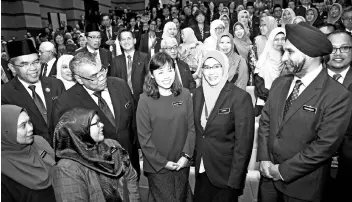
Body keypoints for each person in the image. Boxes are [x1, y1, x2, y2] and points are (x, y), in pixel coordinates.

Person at [257, 22, 352, 202]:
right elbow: (265, 123)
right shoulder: (280, 83)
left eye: (290, 52)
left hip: (302, 187)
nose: (284, 58)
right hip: (268, 180)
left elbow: (325, 146)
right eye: (283, 51)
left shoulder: (337, 95)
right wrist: (263, 159)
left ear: (311, 53)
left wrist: (282, 171)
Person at [51, 51, 141, 179]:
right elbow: (66, 147)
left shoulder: (120, 85)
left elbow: (133, 123)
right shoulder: (66, 103)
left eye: (102, 70)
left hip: (130, 162)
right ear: (79, 79)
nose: (102, 77)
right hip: (99, 171)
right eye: (94, 76)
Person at [192, 50, 254, 202]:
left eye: (216, 66)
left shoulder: (240, 97)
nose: (211, 72)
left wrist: (235, 181)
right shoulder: (197, 94)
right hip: (202, 171)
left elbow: (244, 144)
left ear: (224, 68)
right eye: (207, 67)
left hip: (226, 176)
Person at [136, 52, 195, 202]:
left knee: (182, 197)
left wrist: (186, 156)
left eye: (170, 70)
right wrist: (163, 163)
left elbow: (191, 129)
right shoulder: (144, 100)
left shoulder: (185, 95)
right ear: (152, 74)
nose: (166, 76)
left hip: (181, 162)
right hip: (158, 166)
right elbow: (144, 138)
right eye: (160, 72)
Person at [52, 108, 140, 202]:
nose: (102, 125)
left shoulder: (112, 145)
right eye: (96, 123)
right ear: (81, 130)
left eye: (100, 121)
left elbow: (131, 176)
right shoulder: (67, 168)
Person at [2, 39, 65, 144]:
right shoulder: (5, 94)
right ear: (12, 68)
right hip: (33, 152)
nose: (33, 68)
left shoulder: (56, 85)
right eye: (24, 64)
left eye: (36, 62)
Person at [1, 105, 56, 202]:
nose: (30, 128)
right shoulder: (3, 171)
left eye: (29, 122)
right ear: (6, 131)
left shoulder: (39, 143)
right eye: (23, 126)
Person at [110, 29, 149, 103]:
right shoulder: (115, 61)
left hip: (142, 99)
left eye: (129, 38)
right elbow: (113, 83)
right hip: (123, 100)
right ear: (120, 43)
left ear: (134, 40)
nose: (126, 42)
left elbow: (149, 79)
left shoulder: (144, 57)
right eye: (123, 39)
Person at [254, 27, 286, 115]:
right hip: (265, 104)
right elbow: (260, 88)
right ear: (271, 41)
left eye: (283, 39)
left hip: (284, 104)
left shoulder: (289, 60)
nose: (280, 42)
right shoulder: (263, 61)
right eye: (276, 39)